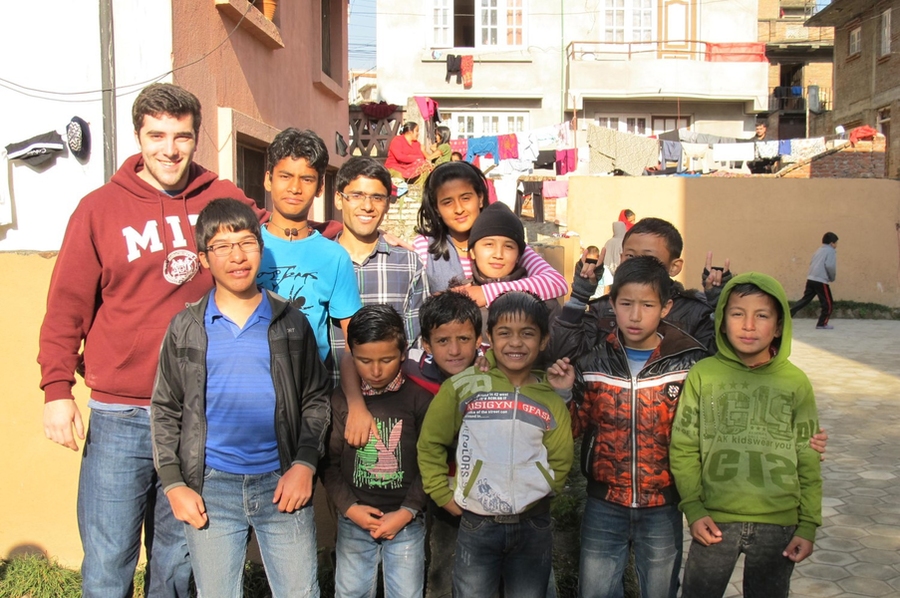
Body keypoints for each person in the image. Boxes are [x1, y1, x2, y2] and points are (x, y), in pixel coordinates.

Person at [37, 82, 266, 597]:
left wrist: (337, 233)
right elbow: (66, 307)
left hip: (197, 413)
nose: (169, 148)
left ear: (197, 138)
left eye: (182, 136)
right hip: (121, 414)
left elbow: (273, 237)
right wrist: (56, 390)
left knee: (177, 563)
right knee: (109, 558)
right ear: (138, 136)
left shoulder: (221, 197)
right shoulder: (98, 209)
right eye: (156, 135)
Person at [151, 198, 330, 596]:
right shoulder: (187, 327)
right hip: (211, 487)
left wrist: (304, 462)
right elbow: (165, 409)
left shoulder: (290, 322)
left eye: (247, 243)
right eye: (222, 246)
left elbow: (316, 398)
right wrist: (174, 484)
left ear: (261, 248)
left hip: (281, 481)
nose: (237, 256)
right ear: (203, 259)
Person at [556, 256, 708, 598]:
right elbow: (571, 429)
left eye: (647, 305)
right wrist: (565, 392)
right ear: (613, 304)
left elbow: (709, 429)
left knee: (660, 590)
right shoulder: (593, 362)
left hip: (663, 505)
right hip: (604, 503)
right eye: (626, 304)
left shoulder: (689, 363)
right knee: (595, 591)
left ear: (666, 307)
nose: (635, 316)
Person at [669, 273, 822, 598]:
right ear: (722, 321)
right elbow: (683, 447)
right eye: (737, 314)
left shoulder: (796, 383)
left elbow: (808, 457)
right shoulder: (703, 375)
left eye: (762, 315)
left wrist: (808, 524)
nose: (748, 325)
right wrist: (694, 509)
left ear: (779, 326)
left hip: (778, 526)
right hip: (714, 521)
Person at [418, 291, 574, 598]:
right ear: (489, 338)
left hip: (533, 524)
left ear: (543, 340)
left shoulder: (549, 396)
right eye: (504, 333)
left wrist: (545, 487)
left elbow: (560, 454)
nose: (515, 343)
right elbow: (430, 443)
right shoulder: (463, 386)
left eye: (527, 334)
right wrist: (441, 494)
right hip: (477, 524)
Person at [322, 305, 433, 598]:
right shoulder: (341, 401)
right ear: (350, 354)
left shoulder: (419, 400)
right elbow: (329, 465)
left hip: (406, 522)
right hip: (354, 521)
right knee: (351, 592)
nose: (375, 370)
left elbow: (430, 465)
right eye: (363, 360)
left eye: (387, 359)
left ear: (403, 351)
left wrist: (409, 511)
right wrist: (349, 508)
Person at [256, 128, 362, 376]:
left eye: (306, 179)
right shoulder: (245, 247)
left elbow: (352, 341)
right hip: (251, 388)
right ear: (268, 179)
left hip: (311, 392)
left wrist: (355, 402)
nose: (295, 188)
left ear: (320, 187)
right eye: (285, 176)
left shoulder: (334, 257)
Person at [413, 160, 568, 305]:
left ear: (480, 198)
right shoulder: (425, 246)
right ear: (436, 209)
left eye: (466, 198)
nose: (459, 209)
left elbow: (556, 283)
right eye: (447, 202)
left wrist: (486, 293)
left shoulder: (504, 241)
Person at [331, 156, 428, 383]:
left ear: (387, 203)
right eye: (356, 196)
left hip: (392, 404)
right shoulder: (319, 263)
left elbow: (416, 343)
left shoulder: (408, 264)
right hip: (328, 401)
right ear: (338, 199)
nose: (367, 206)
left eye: (377, 197)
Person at [448, 201, 561, 348]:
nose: (498, 254)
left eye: (508, 246)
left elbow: (557, 354)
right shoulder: (459, 297)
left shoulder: (545, 303)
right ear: (472, 252)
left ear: (519, 256)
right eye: (489, 244)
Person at [790, 232, 838, 330]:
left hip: (811, 278)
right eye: (836, 243)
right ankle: (822, 323)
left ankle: (789, 313)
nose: (836, 245)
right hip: (821, 280)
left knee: (805, 299)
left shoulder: (818, 250)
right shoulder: (830, 251)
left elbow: (812, 262)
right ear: (832, 243)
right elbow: (830, 265)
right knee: (828, 303)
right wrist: (832, 277)